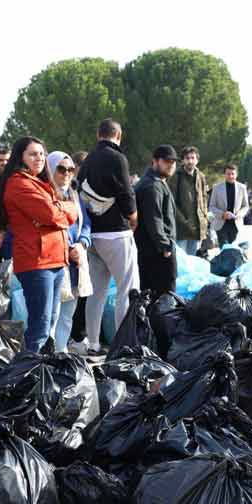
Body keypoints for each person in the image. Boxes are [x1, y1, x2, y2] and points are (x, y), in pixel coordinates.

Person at [0, 137, 77, 352]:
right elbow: (52, 214)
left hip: (55, 260)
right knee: (40, 327)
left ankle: (38, 371)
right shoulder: (18, 183)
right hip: (37, 262)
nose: (39, 158)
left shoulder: (38, 182)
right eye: (32, 154)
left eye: (41, 153)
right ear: (20, 157)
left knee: (49, 323)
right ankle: (28, 373)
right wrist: (68, 209)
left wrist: (63, 209)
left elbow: (57, 213)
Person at [77, 119, 139, 354]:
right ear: (119, 136)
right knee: (127, 289)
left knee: (96, 293)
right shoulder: (117, 158)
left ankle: (93, 344)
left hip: (93, 234)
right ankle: (123, 346)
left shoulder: (88, 159)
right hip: (116, 233)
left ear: (98, 134)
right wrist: (133, 216)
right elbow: (125, 191)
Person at [48, 151, 92, 351]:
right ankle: (47, 355)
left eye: (70, 170)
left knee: (68, 314)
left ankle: (61, 352)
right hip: (54, 262)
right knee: (52, 314)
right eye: (61, 169)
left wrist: (82, 243)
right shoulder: (45, 193)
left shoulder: (74, 194)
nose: (66, 174)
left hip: (75, 262)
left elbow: (85, 224)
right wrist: (66, 248)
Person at [134, 145, 180, 293]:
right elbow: (154, 220)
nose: (171, 165)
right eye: (167, 161)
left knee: (154, 296)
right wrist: (165, 245)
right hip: (156, 252)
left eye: (173, 162)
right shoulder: (152, 186)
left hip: (153, 250)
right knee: (164, 296)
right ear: (155, 161)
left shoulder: (156, 182)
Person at [169, 145, 208, 256]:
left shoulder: (201, 176)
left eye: (193, 158)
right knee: (181, 261)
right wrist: (184, 221)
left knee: (193, 261)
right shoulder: (176, 176)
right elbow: (172, 203)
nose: (190, 161)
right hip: (181, 228)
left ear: (197, 160)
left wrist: (204, 217)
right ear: (182, 160)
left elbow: (204, 198)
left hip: (197, 227)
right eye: (187, 158)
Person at [208, 163, 249, 247]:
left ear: (236, 175)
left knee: (234, 250)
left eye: (232, 174)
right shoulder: (216, 187)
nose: (230, 176)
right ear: (224, 174)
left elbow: (246, 206)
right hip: (221, 224)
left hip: (236, 224)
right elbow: (211, 206)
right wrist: (222, 214)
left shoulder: (242, 188)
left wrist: (240, 214)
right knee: (224, 249)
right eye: (228, 174)